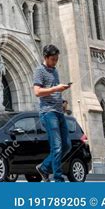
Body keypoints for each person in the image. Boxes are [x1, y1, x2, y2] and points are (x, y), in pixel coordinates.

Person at [33, 44, 72, 182]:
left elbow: (54, 91)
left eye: (57, 59)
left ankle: (44, 168)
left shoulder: (55, 71)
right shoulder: (39, 71)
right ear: (46, 57)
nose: (55, 61)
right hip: (48, 113)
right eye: (53, 59)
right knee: (57, 146)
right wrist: (57, 88)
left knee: (67, 145)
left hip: (59, 112)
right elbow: (37, 92)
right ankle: (58, 178)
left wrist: (62, 102)